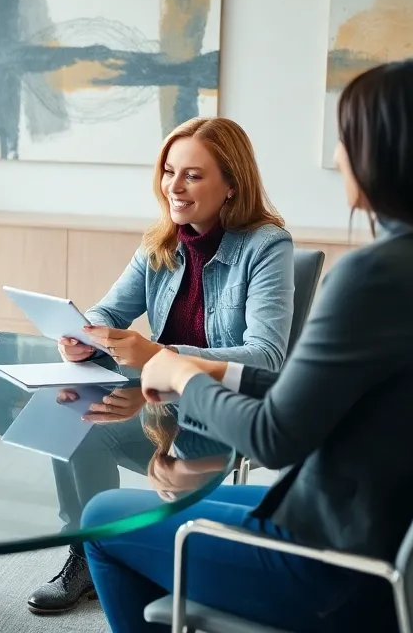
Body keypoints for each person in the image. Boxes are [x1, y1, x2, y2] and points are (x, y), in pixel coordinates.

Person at [81, 57, 413, 632]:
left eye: (348, 138)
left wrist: (181, 376)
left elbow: (273, 439)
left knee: (103, 517)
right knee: (168, 510)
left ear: (389, 154)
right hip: (389, 540)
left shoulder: (377, 275)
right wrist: (208, 370)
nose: (339, 156)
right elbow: (322, 393)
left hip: (332, 565)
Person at [30, 116, 296, 615]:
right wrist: (84, 336)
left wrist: (160, 357)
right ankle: (85, 550)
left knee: (103, 423)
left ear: (232, 184)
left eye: (193, 175)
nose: (173, 186)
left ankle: (145, 554)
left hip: (222, 412)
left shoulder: (267, 247)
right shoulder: (161, 241)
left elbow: (266, 357)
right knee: (75, 415)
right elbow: (108, 312)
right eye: (169, 171)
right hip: (158, 402)